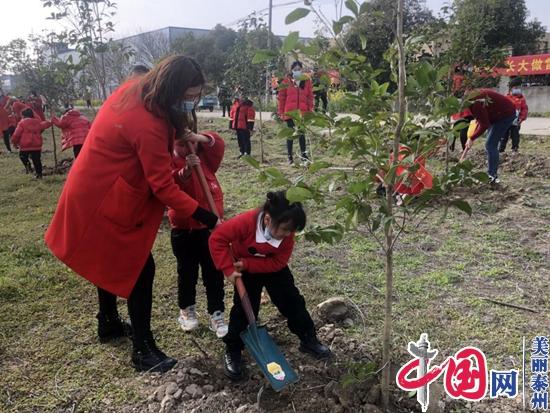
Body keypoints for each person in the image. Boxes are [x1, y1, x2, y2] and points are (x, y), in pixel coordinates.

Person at [44, 55, 220, 373]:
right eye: (189, 96)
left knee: (109, 258)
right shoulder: (148, 122)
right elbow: (163, 187)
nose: (192, 102)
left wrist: (178, 129)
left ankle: (108, 321)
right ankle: (143, 350)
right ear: (172, 90)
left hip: (98, 186)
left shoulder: (140, 89)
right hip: (104, 196)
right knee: (140, 267)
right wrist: (206, 216)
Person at [209, 191, 331, 381]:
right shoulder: (245, 223)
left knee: (293, 302)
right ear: (267, 219)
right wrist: (227, 269)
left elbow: (279, 263)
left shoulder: (287, 237)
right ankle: (233, 350)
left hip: (271, 268)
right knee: (244, 309)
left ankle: (308, 339)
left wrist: (249, 264)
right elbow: (217, 239)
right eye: (284, 229)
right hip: (245, 271)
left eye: (291, 231)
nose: (288, 235)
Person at [169, 130, 228, 338]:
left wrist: (198, 138)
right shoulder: (168, 160)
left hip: (210, 230)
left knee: (213, 272)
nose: (186, 148)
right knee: (187, 272)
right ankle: (186, 310)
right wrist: (184, 172)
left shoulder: (205, 158)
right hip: (183, 229)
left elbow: (218, 145)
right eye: (181, 144)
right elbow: (168, 186)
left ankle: (216, 313)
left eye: (189, 143)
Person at [465, 89, 516, 184]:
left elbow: (484, 124)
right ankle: (491, 173)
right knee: (490, 144)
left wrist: (472, 138)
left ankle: (492, 176)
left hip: (505, 115)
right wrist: (472, 136)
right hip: (496, 114)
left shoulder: (475, 103)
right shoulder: (471, 97)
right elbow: (481, 121)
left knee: (490, 145)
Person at [277, 61, 314, 164]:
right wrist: (281, 112)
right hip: (290, 112)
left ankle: (304, 155)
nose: (297, 71)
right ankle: (290, 157)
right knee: (291, 134)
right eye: (295, 69)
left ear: (302, 70)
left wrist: (310, 110)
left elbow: (310, 97)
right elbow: (281, 98)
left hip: (302, 113)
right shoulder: (286, 81)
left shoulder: (306, 81)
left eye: (299, 69)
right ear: (291, 70)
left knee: (302, 134)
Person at [11, 108, 51, 178]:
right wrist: (51, 121)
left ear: (23, 115)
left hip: (25, 145)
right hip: (36, 145)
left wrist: (14, 143)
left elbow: (16, 135)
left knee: (23, 157)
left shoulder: (22, 123)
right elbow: (45, 125)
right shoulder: (37, 122)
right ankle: (39, 174)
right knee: (37, 160)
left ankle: (28, 167)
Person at [500, 80, 528, 154]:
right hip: (506, 121)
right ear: (511, 89)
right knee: (503, 136)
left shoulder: (522, 99)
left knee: (515, 136)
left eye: (518, 87)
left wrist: (521, 118)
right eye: (515, 87)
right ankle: (501, 150)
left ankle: (514, 149)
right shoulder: (506, 97)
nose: (517, 89)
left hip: (516, 121)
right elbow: (501, 109)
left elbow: (524, 109)